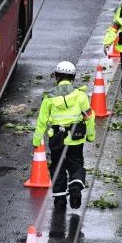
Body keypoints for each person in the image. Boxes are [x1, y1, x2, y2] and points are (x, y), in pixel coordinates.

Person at [32, 61, 96, 209]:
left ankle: (60, 199)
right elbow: (89, 117)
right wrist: (90, 135)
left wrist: (36, 141)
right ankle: (75, 186)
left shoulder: (49, 98)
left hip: (57, 139)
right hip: (76, 138)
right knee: (76, 164)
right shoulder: (80, 95)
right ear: (73, 78)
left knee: (57, 166)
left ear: (56, 77)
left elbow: (41, 121)